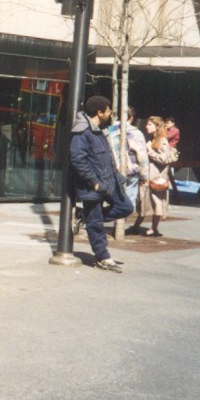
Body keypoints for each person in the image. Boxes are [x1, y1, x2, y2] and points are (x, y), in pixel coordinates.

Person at [69, 95, 134, 273]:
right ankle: (103, 257)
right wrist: (94, 182)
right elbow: (78, 160)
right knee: (96, 223)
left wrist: (116, 176)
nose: (110, 113)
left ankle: (84, 216)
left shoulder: (99, 130)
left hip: (109, 182)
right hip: (94, 186)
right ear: (100, 112)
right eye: (108, 110)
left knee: (126, 207)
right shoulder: (82, 132)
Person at [129, 116, 172, 237]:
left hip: (156, 177)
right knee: (144, 201)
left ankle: (154, 228)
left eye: (150, 125)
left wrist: (149, 151)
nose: (146, 126)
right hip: (148, 176)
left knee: (156, 202)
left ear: (157, 127)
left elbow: (164, 159)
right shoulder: (152, 139)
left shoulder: (162, 140)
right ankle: (136, 226)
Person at [107, 106, 149, 226]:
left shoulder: (110, 130)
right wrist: (144, 176)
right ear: (131, 118)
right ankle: (119, 226)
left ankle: (116, 225)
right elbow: (142, 157)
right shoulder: (135, 133)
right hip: (130, 171)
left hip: (112, 170)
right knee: (127, 203)